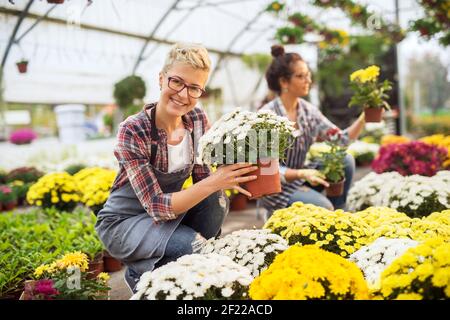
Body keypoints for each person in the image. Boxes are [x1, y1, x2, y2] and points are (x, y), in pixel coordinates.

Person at [95, 43, 257, 293]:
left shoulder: (197, 120)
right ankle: (144, 272)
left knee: (217, 200)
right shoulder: (134, 129)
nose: (183, 94)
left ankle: (171, 264)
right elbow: (157, 206)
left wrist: (244, 161)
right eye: (177, 82)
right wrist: (216, 180)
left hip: (165, 217)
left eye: (194, 88)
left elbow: (204, 180)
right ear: (161, 79)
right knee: (190, 248)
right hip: (125, 223)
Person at [259, 45, 366, 217]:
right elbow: (268, 170)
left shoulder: (308, 111)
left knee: (344, 160)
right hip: (276, 189)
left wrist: (364, 117)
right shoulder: (266, 116)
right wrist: (302, 173)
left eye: (308, 75)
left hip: (301, 178)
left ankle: (340, 216)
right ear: (284, 82)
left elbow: (341, 140)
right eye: (301, 76)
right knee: (323, 207)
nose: (308, 80)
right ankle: (275, 214)